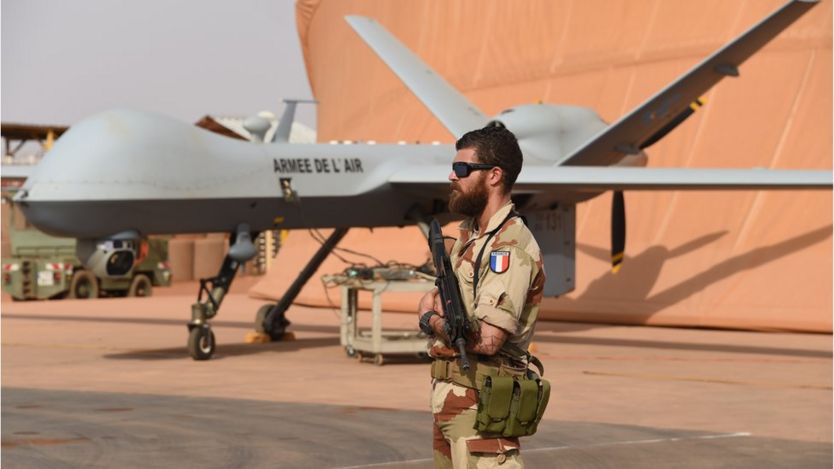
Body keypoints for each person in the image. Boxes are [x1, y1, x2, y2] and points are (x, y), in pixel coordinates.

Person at [418, 123, 545, 468]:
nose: (452, 175)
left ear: (494, 176)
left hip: (482, 405)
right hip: (453, 402)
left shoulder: (510, 246)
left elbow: (488, 340)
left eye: (462, 168)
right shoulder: (471, 237)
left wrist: (430, 319)